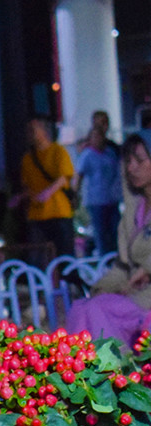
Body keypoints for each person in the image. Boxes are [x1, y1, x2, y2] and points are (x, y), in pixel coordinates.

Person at [65, 132, 151, 347]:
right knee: (82, 307)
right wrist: (102, 287)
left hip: (146, 301)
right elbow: (123, 266)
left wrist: (147, 269)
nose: (131, 168)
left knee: (97, 310)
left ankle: (113, 365)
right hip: (134, 297)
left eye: (140, 160)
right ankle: (82, 365)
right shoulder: (133, 212)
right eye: (128, 161)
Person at [18, 116, 76, 268]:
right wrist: (19, 198)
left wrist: (47, 193)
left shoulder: (58, 151)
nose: (30, 134)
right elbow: (27, 186)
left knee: (65, 255)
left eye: (33, 130)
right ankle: (38, 281)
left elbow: (64, 177)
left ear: (44, 131)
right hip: (37, 214)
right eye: (28, 130)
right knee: (36, 257)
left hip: (58, 211)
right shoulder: (27, 159)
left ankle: (69, 280)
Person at [74, 123, 122, 256]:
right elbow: (78, 176)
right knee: (101, 233)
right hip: (96, 201)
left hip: (112, 199)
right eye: (94, 137)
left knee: (116, 232)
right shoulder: (87, 155)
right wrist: (75, 195)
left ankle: (117, 258)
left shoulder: (110, 153)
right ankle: (104, 260)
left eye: (99, 136)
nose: (97, 139)